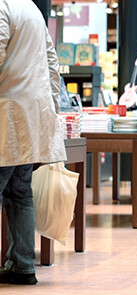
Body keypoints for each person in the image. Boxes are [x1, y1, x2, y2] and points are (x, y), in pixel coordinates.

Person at [0, 0, 67, 284]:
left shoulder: (3, 6)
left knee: (15, 190)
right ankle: (23, 265)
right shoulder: (30, 7)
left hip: (7, 109)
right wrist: (51, 107)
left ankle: (21, 264)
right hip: (31, 114)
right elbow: (51, 61)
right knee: (20, 192)